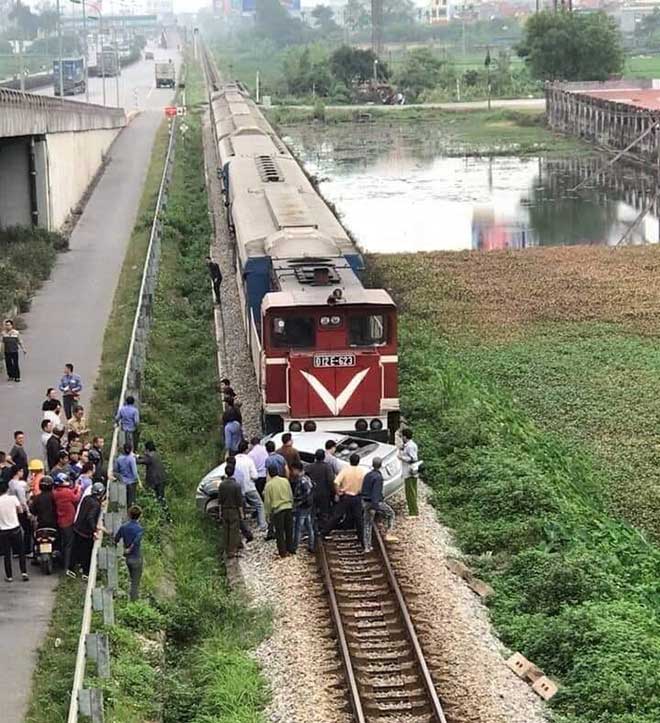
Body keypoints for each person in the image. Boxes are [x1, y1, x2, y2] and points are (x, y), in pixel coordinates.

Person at [320, 453, 365, 544]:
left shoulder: (345, 470)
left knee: (337, 515)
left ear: (350, 461)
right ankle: (362, 538)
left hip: (345, 496)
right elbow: (365, 484)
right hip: (356, 497)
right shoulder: (362, 471)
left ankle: (323, 533)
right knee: (358, 518)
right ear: (358, 461)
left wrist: (338, 492)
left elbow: (336, 482)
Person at [67, 482, 104, 579]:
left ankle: (71, 569)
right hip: (85, 532)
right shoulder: (96, 504)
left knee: (75, 550)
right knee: (86, 553)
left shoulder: (86, 498)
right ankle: (85, 572)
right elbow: (90, 517)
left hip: (77, 528)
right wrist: (94, 530)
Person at [361, 457, 398, 552]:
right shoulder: (378, 477)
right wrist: (375, 506)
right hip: (374, 502)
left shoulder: (368, 475)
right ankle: (388, 533)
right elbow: (376, 492)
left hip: (365, 501)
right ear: (381, 465)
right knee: (390, 514)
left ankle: (367, 547)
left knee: (367, 524)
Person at [264, 462, 294, 558]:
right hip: (288, 507)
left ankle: (282, 552)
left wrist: (267, 515)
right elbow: (290, 494)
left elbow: (267, 502)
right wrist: (291, 505)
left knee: (279, 532)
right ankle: (291, 548)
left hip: (278, 510)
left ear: (269, 473)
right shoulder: (285, 481)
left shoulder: (269, 485)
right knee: (289, 529)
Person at [114, 505, 144, 601]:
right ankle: (134, 604)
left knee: (132, 579)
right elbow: (136, 541)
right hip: (136, 557)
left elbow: (116, 539)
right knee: (135, 583)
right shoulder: (139, 529)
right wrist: (130, 548)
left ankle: (131, 601)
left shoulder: (124, 527)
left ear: (129, 515)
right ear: (140, 516)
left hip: (128, 558)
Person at [234, 441, 266, 530]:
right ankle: (262, 525)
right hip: (249, 487)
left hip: (237, 488)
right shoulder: (248, 460)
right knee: (259, 504)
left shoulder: (234, 459)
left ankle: (244, 527)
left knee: (241, 507)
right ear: (246, 449)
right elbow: (255, 476)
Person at [0, 483, 29, 582]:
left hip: (3, 531)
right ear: (7, 489)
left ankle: (9, 576)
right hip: (15, 528)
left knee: (7, 554)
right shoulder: (13, 498)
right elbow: (20, 510)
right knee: (21, 551)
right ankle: (24, 572)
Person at [53, 472, 80, 571]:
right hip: (68, 521)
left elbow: (70, 494)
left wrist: (75, 489)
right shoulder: (66, 492)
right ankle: (66, 567)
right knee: (69, 545)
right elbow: (76, 498)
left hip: (61, 521)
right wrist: (79, 490)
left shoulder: (56, 492)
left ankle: (63, 563)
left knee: (64, 543)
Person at [217, 460, 243, 559]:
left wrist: (220, 512)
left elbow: (220, 500)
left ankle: (226, 548)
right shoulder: (236, 486)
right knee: (233, 531)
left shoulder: (222, 485)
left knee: (226, 530)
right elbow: (239, 502)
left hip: (224, 510)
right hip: (234, 510)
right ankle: (232, 551)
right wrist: (242, 514)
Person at [291, 461, 315, 553]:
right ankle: (311, 545)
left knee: (298, 527)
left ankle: (294, 547)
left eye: (293, 470)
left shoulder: (302, 480)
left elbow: (305, 494)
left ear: (297, 470)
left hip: (302, 506)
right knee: (309, 526)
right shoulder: (307, 478)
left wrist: (296, 501)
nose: (292, 472)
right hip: (308, 506)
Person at [7, 465, 31, 556]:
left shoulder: (11, 483)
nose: (23, 473)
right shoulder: (20, 485)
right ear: (18, 472)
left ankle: (16, 550)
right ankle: (27, 550)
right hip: (21, 509)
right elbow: (23, 500)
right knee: (27, 530)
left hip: (13, 509)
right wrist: (28, 511)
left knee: (16, 529)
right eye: (21, 471)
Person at [306, 448, 335, 524]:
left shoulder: (309, 467)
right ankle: (322, 530)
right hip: (324, 494)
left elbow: (304, 477)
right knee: (324, 514)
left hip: (312, 493)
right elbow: (330, 480)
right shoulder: (327, 467)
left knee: (312, 513)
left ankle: (311, 530)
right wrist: (333, 492)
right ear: (324, 457)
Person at [399, 428, 419, 516]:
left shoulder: (410, 446)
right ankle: (412, 510)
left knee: (410, 493)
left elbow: (413, 458)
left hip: (410, 472)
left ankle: (413, 512)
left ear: (405, 436)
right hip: (410, 471)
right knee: (411, 492)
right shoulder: (408, 445)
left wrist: (402, 457)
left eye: (402, 436)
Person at [114, 443, 139, 508]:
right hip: (131, 482)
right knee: (131, 500)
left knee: (123, 501)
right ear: (131, 449)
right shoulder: (131, 459)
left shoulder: (119, 458)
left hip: (123, 482)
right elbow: (135, 472)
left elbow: (116, 470)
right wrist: (137, 480)